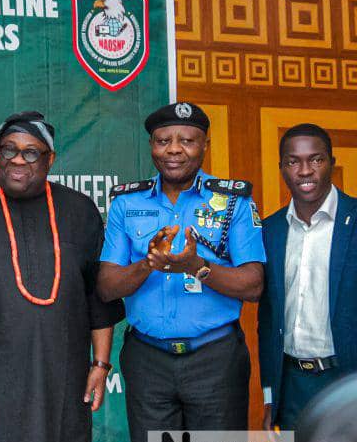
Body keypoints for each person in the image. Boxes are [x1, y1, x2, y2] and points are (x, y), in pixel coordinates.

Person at [0, 111, 125, 442]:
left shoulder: (80, 212)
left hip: (62, 380)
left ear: (50, 160)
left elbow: (99, 296)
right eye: (9, 149)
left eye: (30, 152)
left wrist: (101, 364)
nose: (17, 160)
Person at [97, 102, 265, 442]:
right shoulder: (127, 204)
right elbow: (107, 287)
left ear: (205, 145)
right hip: (148, 361)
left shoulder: (234, 202)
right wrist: (148, 264)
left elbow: (253, 285)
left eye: (187, 141)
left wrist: (197, 267)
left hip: (215, 359)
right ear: (151, 146)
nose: (174, 149)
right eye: (163, 141)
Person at [258, 123, 357, 431]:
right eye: (293, 161)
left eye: (315, 160)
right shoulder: (270, 231)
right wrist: (268, 396)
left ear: (331, 163)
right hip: (291, 385)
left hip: (347, 380)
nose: (305, 171)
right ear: (281, 168)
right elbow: (267, 320)